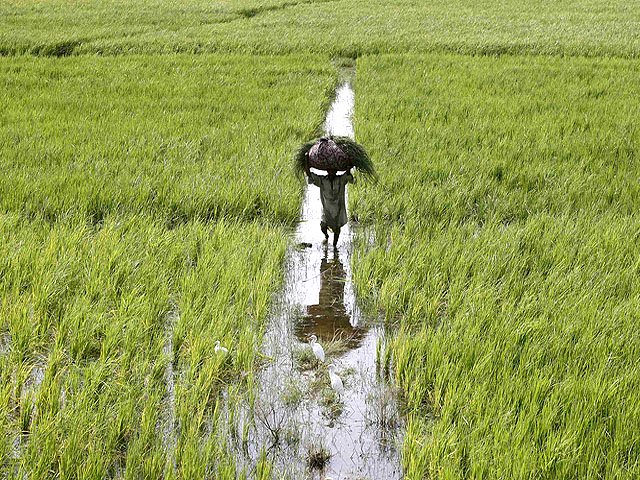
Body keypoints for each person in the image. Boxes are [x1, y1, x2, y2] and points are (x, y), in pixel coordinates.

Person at [305, 165, 355, 246]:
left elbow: (349, 177)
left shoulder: (341, 179)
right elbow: (310, 176)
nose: (332, 172)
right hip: (326, 208)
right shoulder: (322, 180)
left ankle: (335, 246)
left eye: (333, 171)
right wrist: (306, 163)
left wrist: (349, 167)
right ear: (327, 171)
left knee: (337, 229)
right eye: (330, 171)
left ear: (336, 171)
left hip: (338, 208)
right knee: (323, 226)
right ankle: (326, 236)